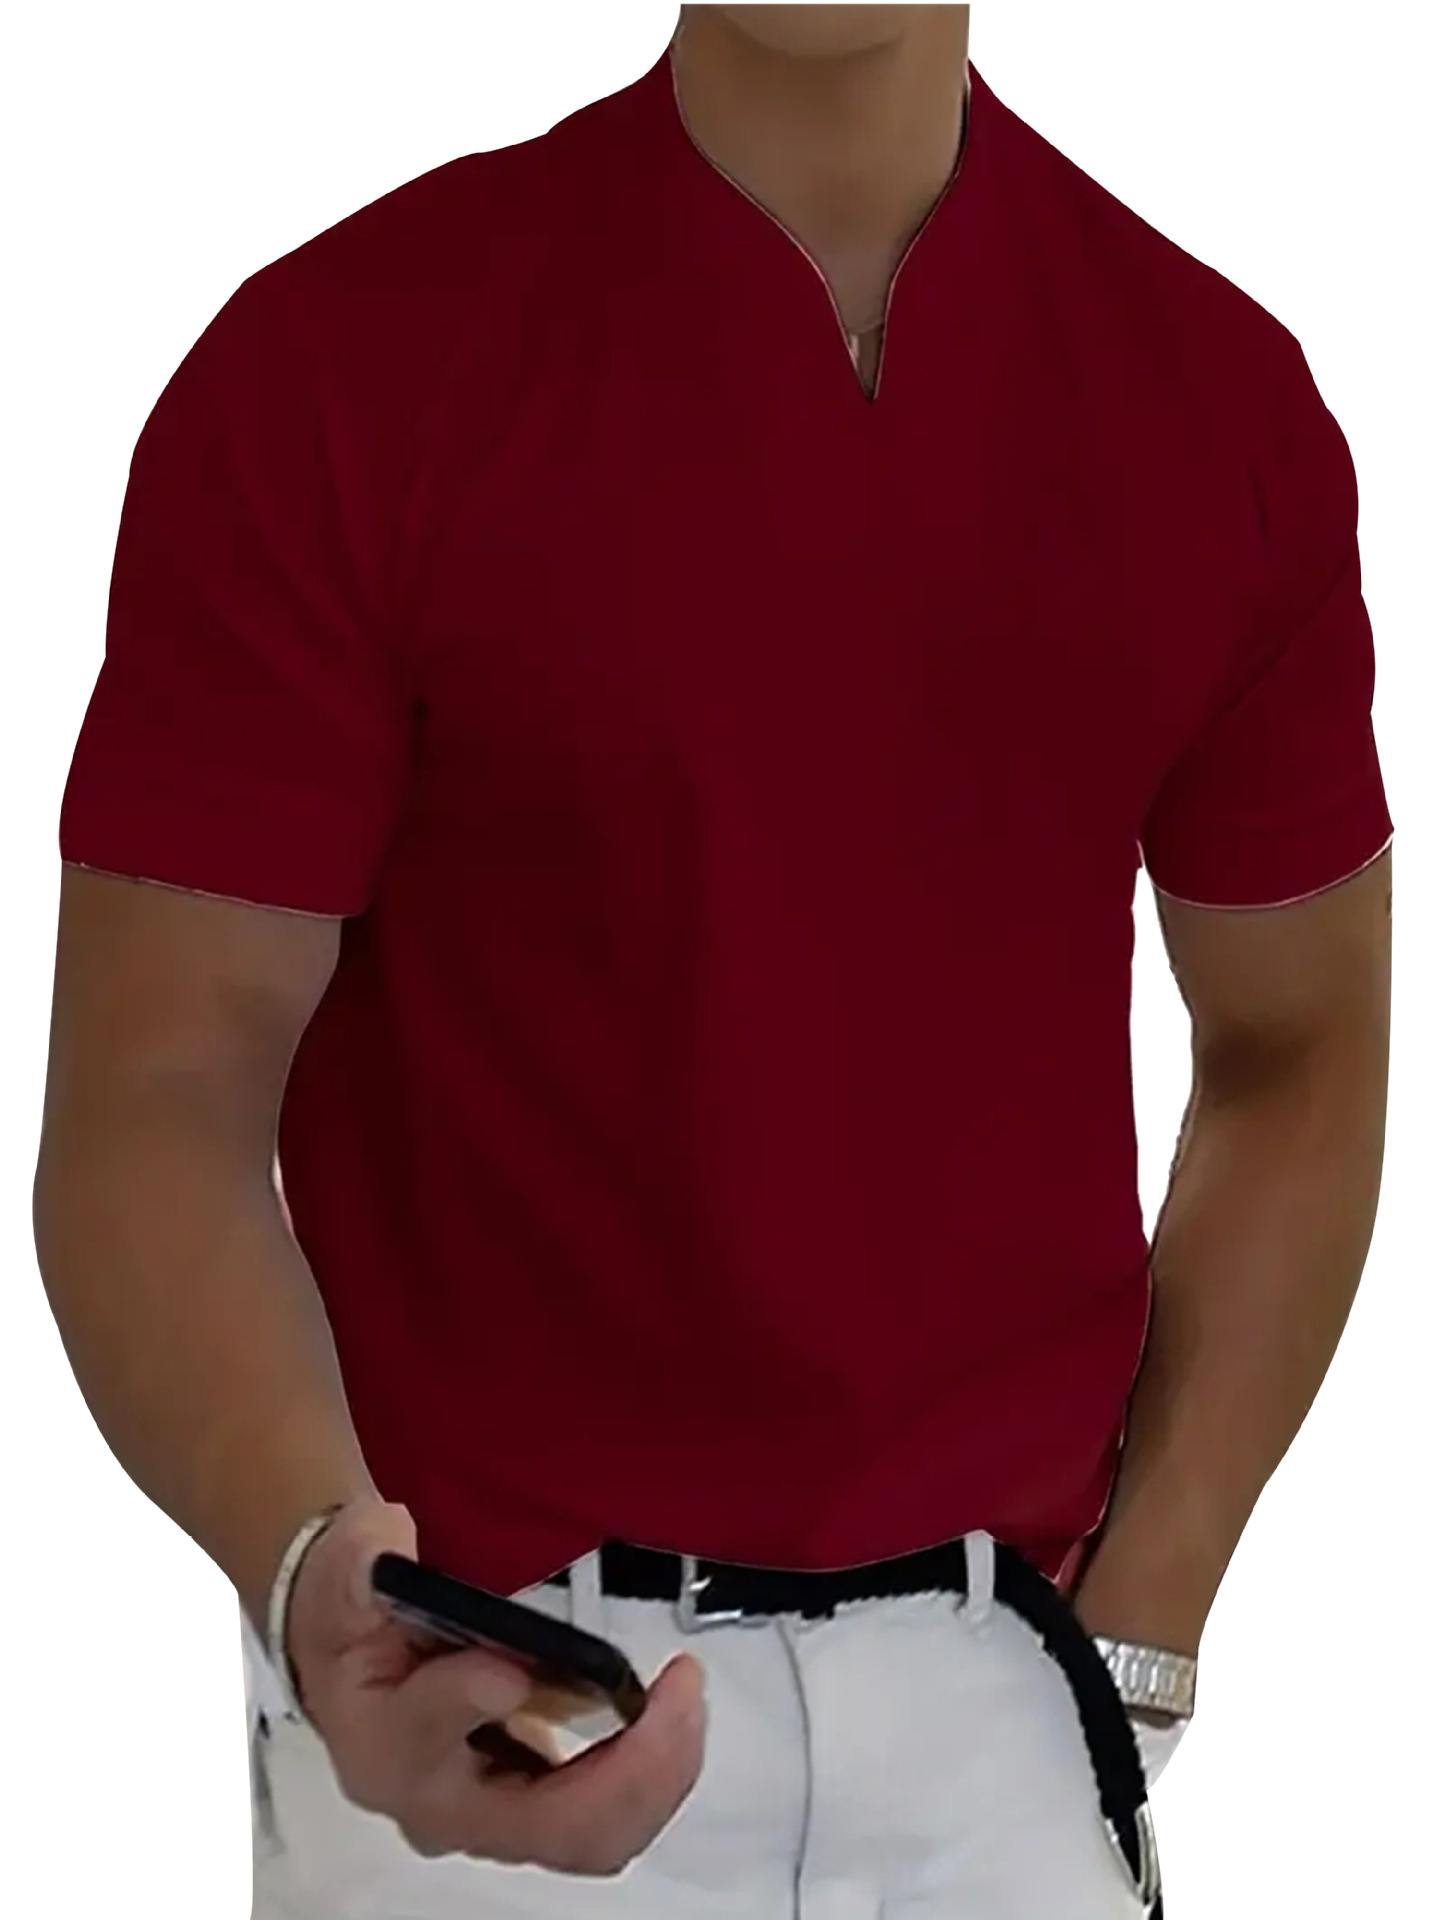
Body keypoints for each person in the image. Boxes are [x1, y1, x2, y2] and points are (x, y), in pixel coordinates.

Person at [34, 5, 1393, 1916]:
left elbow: (1297, 1040)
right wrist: (316, 1560)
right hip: (488, 1708)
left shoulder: (1219, 401)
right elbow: (157, 1097)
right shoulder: (336, 370)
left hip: (1006, 1721)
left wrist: (1149, 1613)